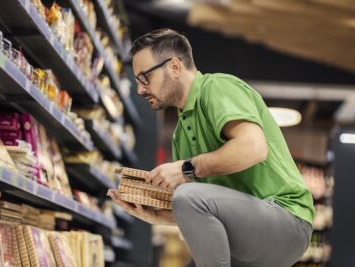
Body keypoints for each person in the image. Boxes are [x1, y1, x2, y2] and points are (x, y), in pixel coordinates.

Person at [107, 28, 314, 267]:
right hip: (245, 234)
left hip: (287, 221)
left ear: (174, 67)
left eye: (145, 78)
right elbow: (205, 210)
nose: (140, 89)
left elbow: (254, 148)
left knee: (186, 194)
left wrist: (186, 169)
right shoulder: (180, 135)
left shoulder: (217, 88)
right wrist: (154, 216)